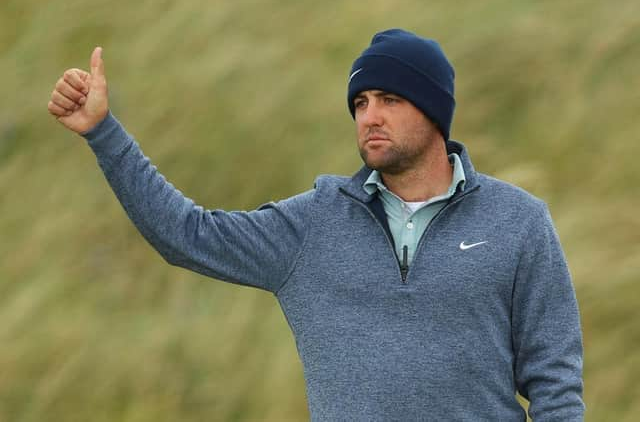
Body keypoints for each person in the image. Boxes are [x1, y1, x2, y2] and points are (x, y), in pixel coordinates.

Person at [48, 29, 584, 421]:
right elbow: (187, 235)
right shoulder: (312, 223)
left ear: (435, 114)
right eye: (361, 102)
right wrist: (103, 133)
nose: (370, 115)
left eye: (391, 100)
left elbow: (555, 383)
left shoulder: (519, 221)